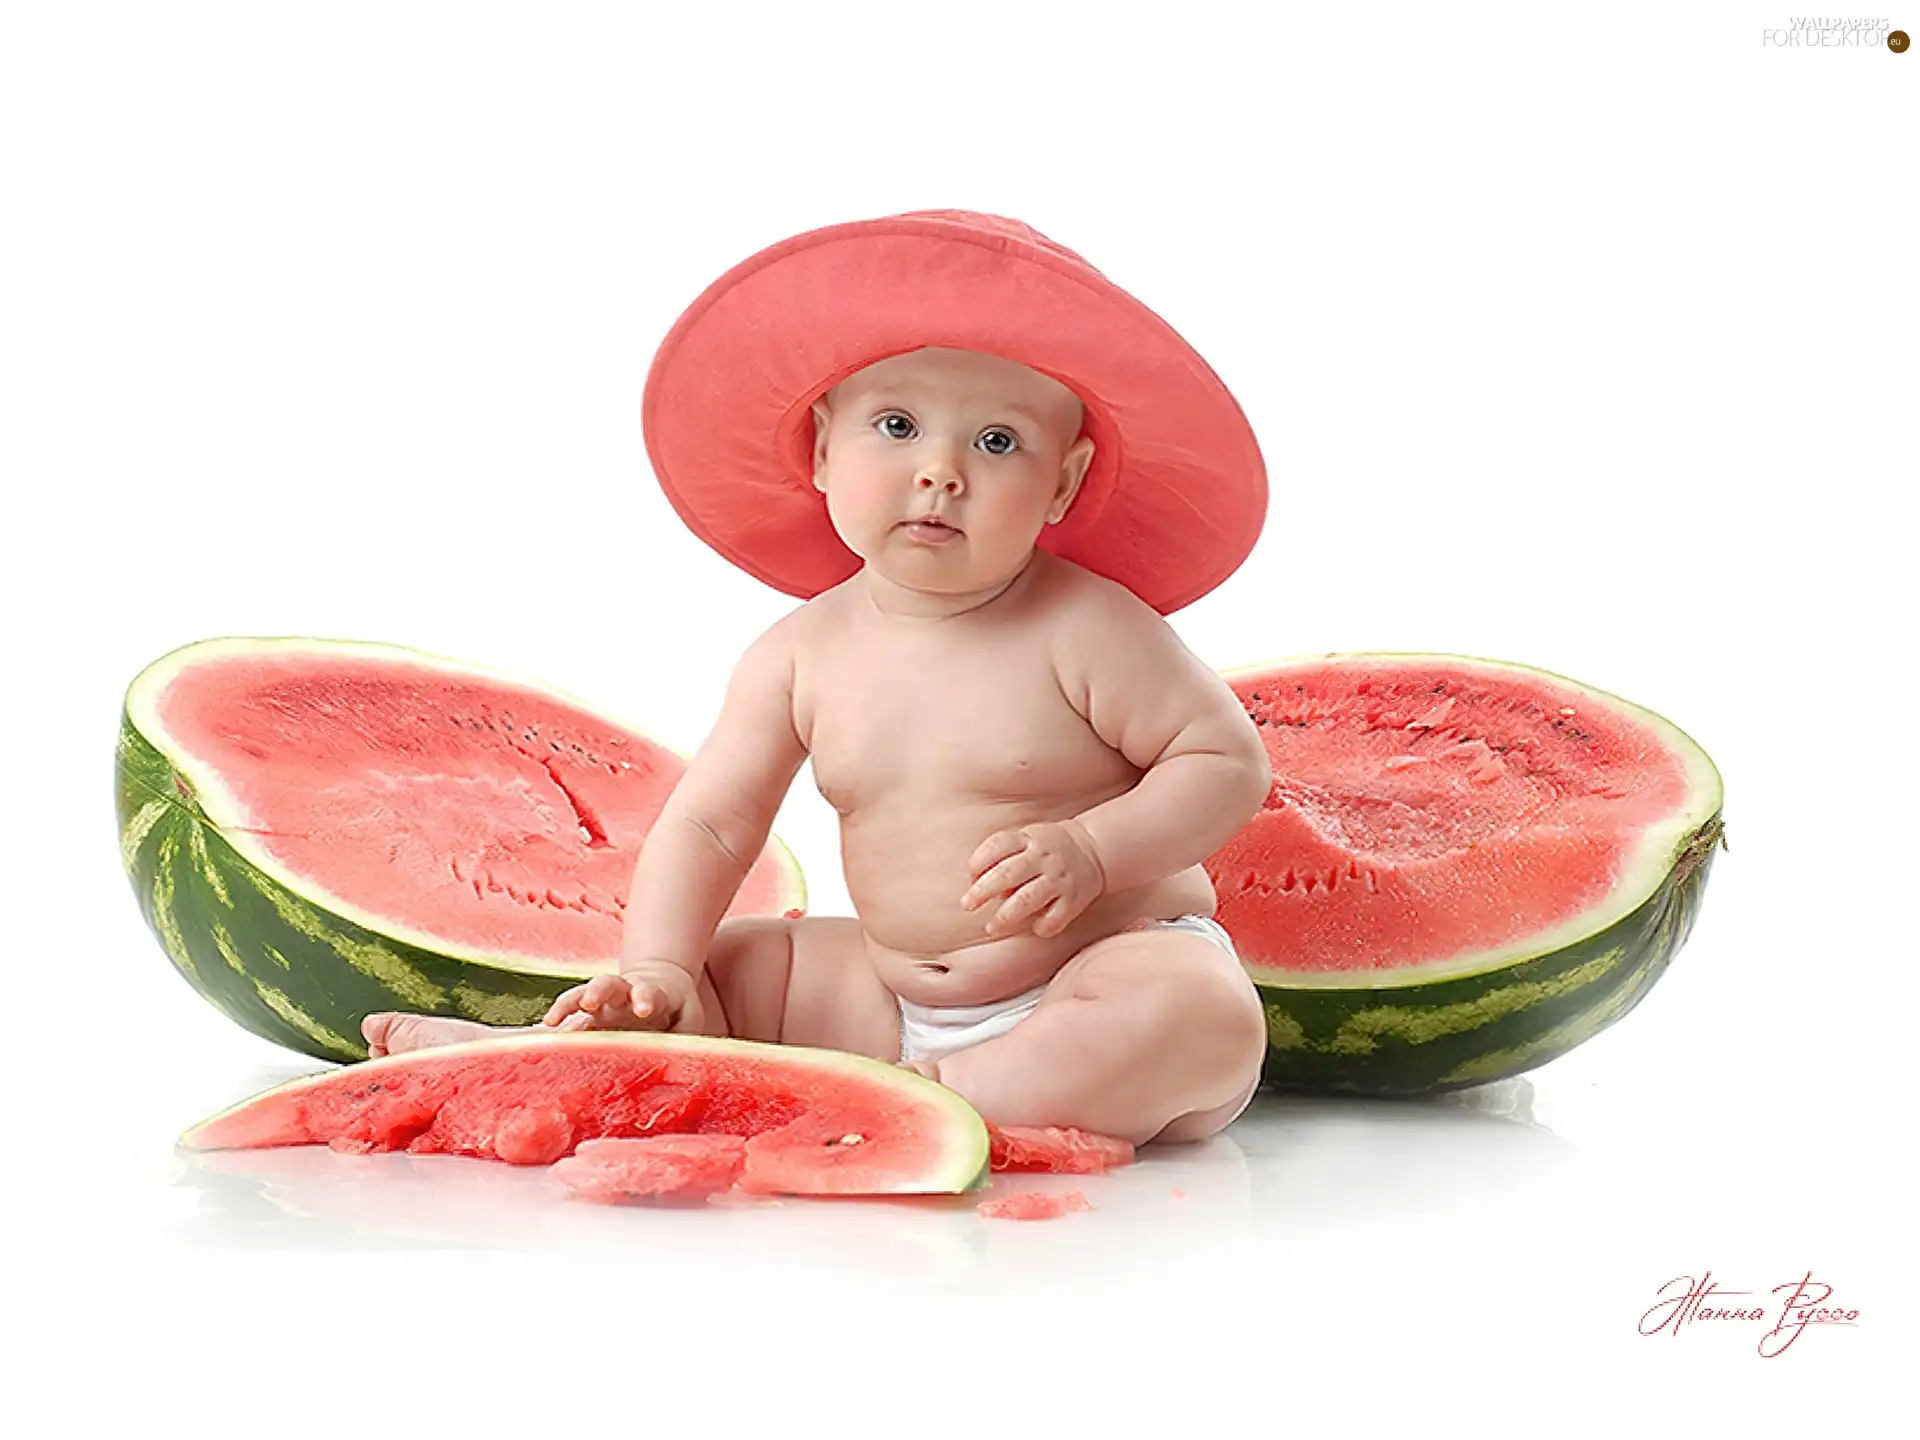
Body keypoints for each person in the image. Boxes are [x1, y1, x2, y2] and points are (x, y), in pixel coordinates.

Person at [362, 210, 1275, 1146]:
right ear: (822, 451)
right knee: (739, 962)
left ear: (1065, 485)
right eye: (897, 426)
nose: (940, 472)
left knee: (1195, 1010)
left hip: (1097, 969)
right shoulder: (799, 653)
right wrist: (663, 971)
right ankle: (546, 1064)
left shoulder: (1089, 628)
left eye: (998, 443)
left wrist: (1096, 849)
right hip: (891, 999)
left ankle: (905, 1104)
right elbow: (713, 823)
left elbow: (1225, 761)